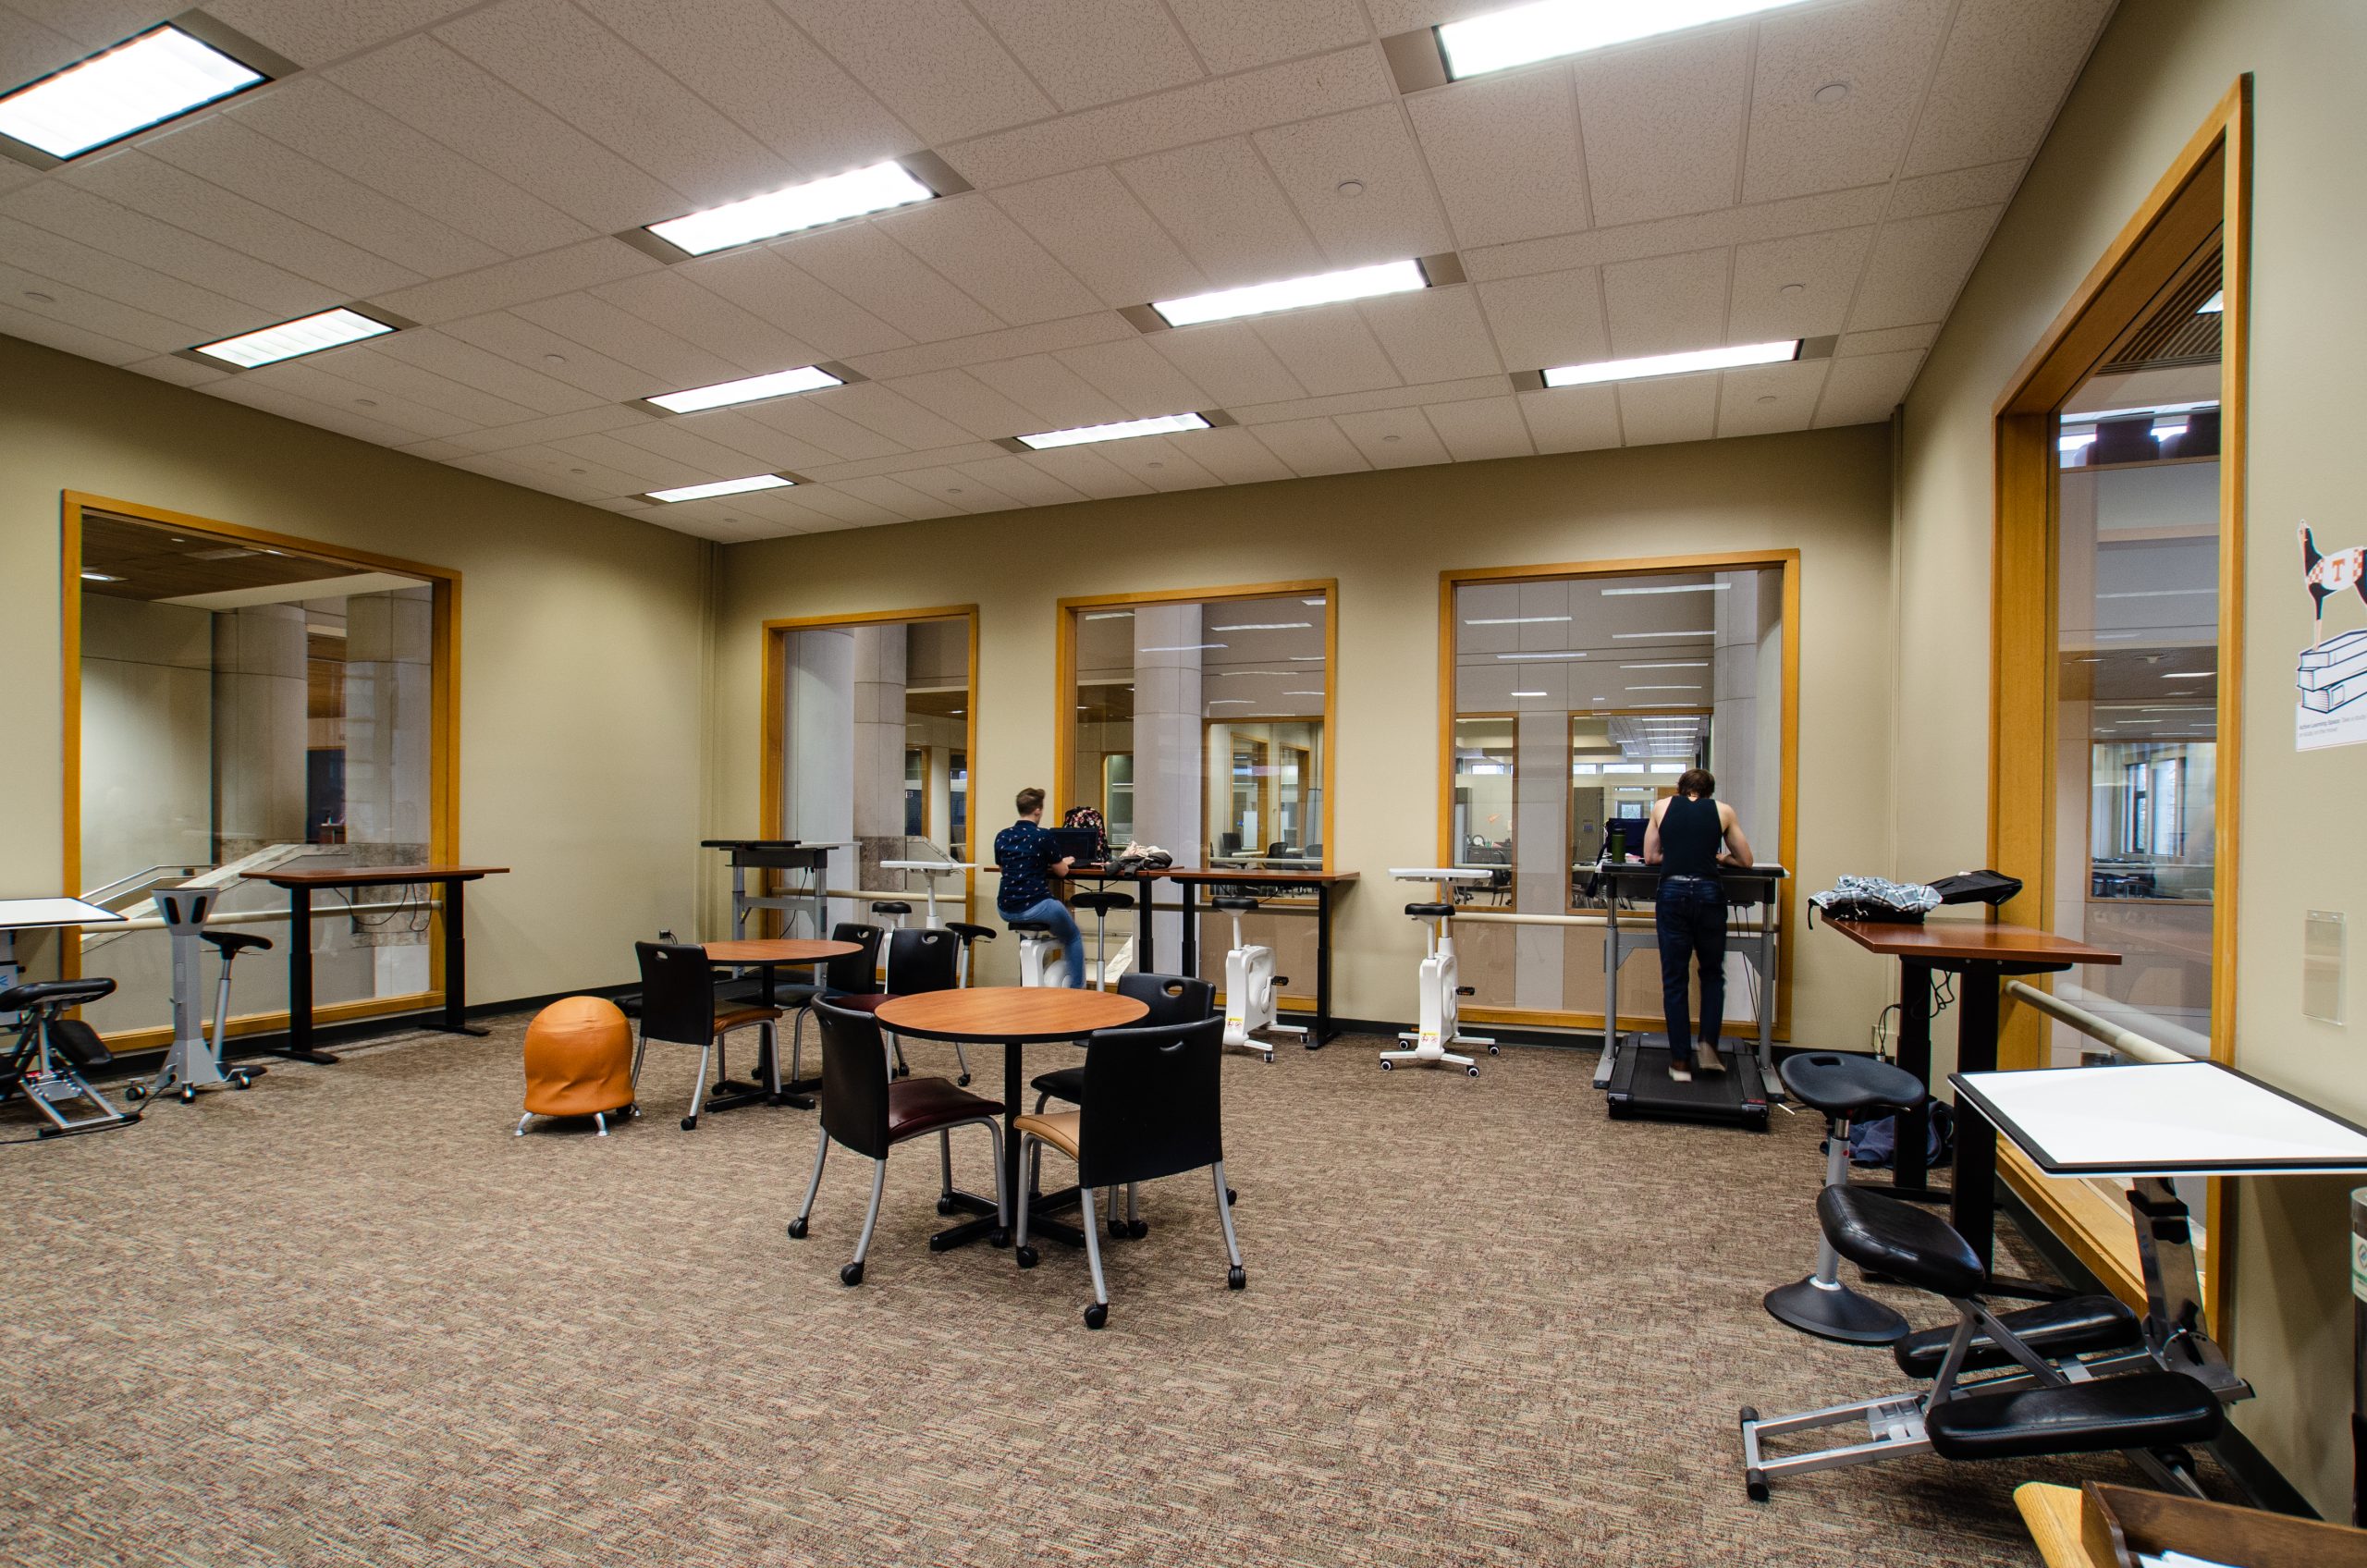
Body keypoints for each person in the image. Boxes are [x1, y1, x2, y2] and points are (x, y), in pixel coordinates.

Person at [1641, 767, 1753, 1084]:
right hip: (1708, 892)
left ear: (1680, 789)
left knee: (1675, 979)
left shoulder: (1662, 807)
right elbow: (1746, 859)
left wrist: (1676, 854)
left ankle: (1679, 1062)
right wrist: (1720, 859)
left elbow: (1650, 857)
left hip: (1673, 892)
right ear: (1709, 791)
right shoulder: (1723, 811)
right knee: (1712, 974)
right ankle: (1708, 1046)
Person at [995, 786, 1085, 987]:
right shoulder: (1043, 836)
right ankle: (1078, 991)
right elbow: (1061, 872)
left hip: (1006, 908)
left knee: (1032, 932)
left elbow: (1003, 868)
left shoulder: (1002, 836)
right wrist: (1065, 862)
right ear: (1037, 810)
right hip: (1035, 905)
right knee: (1072, 937)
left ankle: (1028, 988)